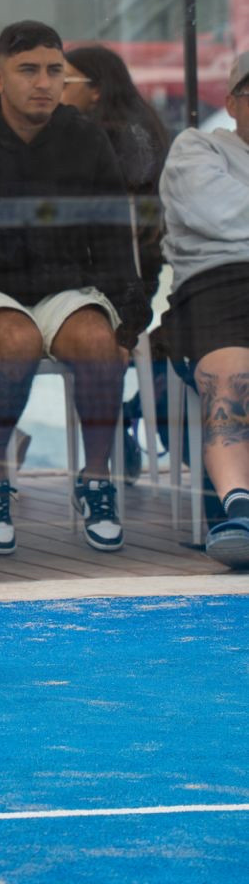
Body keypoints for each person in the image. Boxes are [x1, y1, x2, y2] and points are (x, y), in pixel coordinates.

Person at [0, 20, 149, 557]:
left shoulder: (87, 141)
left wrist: (127, 326)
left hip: (65, 289)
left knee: (98, 342)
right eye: (28, 70)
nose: (43, 82)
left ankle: (96, 480)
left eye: (54, 70)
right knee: (17, 340)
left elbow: (113, 239)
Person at [62, 41, 172, 480]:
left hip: (118, 278)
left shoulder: (108, 138)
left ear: (95, 90)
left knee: (87, 344)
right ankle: (115, 433)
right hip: (136, 274)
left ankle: (108, 443)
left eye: (65, 79)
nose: (55, 88)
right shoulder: (143, 130)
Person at [158, 51, 249, 570]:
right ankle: (240, 509)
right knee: (231, 381)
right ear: (232, 103)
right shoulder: (198, 147)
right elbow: (217, 212)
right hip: (218, 282)